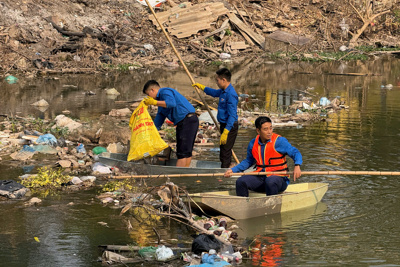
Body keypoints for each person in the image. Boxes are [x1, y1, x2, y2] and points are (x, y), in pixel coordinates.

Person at [224, 116, 302, 197]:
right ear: (258, 131)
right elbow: (248, 161)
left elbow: (295, 153)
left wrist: (297, 165)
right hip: (261, 178)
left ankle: (272, 206)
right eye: (265, 129)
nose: (269, 132)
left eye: (270, 128)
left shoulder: (279, 141)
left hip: (279, 179)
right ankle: (244, 205)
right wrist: (233, 170)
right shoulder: (253, 143)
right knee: (240, 181)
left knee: (270, 181)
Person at [142, 80, 199, 167]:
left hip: (187, 120)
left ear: (152, 90)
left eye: (148, 94)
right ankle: (185, 174)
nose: (149, 97)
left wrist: (154, 102)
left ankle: (178, 176)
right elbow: (158, 120)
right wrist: (150, 133)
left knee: (183, 153)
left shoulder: (165, 92)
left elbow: (171, 103)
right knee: (186, 151)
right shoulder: (161, 104)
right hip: (186, 122)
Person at [192, 68, 238, 168]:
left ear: (223, 80)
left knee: (225, 151)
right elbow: (213, 92)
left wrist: (226, 131)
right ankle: (227, 166)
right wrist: (201, 87)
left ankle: (225, 172)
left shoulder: (231, 94)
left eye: (217, 80)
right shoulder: (223, 91)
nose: (216, 82)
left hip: (230, 127)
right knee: (223, 149)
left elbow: (232, 115)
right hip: (223, 125)